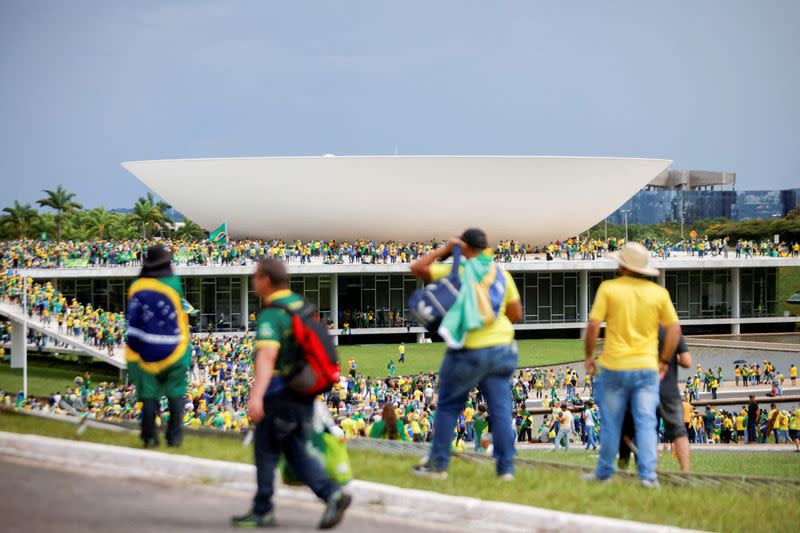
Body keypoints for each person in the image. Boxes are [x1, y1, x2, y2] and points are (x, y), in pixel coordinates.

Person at [232, 258, 350, 529]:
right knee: (295, 448)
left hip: (279, 392)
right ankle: (332, 493)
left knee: (265, 449)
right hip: (303, 391)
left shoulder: (273, 313)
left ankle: (263, 509)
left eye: (255, 276)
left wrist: (256, 396)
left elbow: (267, 356)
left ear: (265, 279)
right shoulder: (301, 305)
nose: (252, 281)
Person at [409, 229, 522, 480]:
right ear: (485, 247)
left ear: (465, 246)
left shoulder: (459, 270)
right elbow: (516, 313)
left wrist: (446, 250)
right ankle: (505, 470)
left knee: (449, 406)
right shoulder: (500, 272)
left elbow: (417, 268)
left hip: (469, 348)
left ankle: (438, 464)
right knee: (501, 410)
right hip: (503, 346)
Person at [583, 242, 681, 488]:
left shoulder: (609, 288)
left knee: (611, 421)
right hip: (647, 367)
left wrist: (588, 356)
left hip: (614, 366)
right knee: (646, 422)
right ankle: (648, 477)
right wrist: (665, 360)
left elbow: (594, 325)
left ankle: (604, 472)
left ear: (622, 265)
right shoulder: (659, 294)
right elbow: (674, 329)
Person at [125, 245, 190, 448]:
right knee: (176, 394)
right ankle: (174, 438)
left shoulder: (136, 286)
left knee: (149, 395)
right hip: (174, 349)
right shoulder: (174, 282)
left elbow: (134, 319)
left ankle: (149, 436)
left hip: (146, 349)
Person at [656, 326, 692, 472]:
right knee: (679, 433)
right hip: (669, 390)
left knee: (649, 432)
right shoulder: (672, 330)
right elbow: (687, 361)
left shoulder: (641, 328)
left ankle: (652, 473)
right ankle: (685, 471)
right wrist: (672, 356)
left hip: (647, 390)